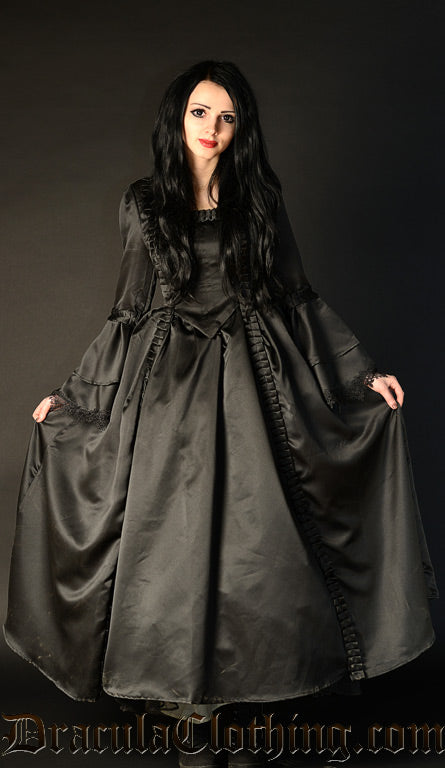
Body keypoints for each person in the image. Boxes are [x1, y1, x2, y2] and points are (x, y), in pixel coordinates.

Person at [4, 60, 438, 768]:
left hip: (258, 391)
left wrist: (362, 374)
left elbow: (298, 298)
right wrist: (75, 397)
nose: (212, 128)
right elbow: (127, 312)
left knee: (257, 553)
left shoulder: (260, 199)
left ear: (242, 129)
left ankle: (251, 714)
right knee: (172, 554)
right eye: (201, 113)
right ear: (178, 118)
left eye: (227, 117)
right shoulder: (144, 203)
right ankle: (194, 722)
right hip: (166, 398)